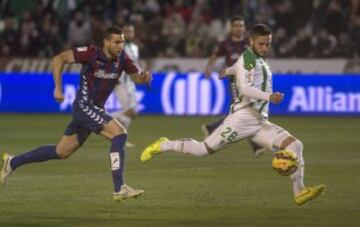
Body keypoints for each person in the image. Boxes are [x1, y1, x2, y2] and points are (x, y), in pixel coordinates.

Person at [141, 24, 325, 206]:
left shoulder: (255, 58)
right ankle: (164, 144)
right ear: (252, 41)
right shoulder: (249, 58)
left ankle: (299, 191)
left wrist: (226, 72)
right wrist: (269, 96)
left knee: (295, 145)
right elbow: (244, 88)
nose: (265, 47)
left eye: (268, 43)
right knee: (203, 150)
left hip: (259, 121)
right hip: (243, 118)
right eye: (261, 43)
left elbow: (236, 67)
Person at [0, 26, 151, 202]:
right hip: (84, 106)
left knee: (61, 151)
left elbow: (136, 77)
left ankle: (12, 162)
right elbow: (59, 59)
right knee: (119, 134)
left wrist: (144, 78)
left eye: (122, 42)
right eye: (117, 42)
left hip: (95, 109)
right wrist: (58, 87)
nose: (120, 45)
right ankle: (119, 188)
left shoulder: (123, 58)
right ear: (106, 42)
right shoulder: (90, 53)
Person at [204, 15, 265, 156]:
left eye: (241, 25)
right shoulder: (225, 43)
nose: (239, 28)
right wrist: (208, 68)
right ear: (232, 28)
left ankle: (212, 127)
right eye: (236, 25)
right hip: (234, 81)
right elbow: (215, 55)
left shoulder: (249, 42)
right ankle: (256, 146)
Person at [112, 24, 141, 148]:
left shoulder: (135, 48)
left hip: (130, 83)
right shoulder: (117, 47)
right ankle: (99, 118)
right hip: (120, 83)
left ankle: (119, 137)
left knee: (131, 112)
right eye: (127, 31)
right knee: (131, 111)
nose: (129, 34)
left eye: (131, 31)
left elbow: (135, 65)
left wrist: (141, 76)